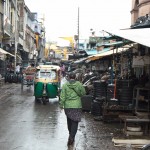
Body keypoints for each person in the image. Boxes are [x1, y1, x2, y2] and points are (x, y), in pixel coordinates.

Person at [59, 72, 86, 146]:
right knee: (75, 122)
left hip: (67, 106)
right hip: (77, 106)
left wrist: (61, 105)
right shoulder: (79, 84)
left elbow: (62, 96)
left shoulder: (65, 85)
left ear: (68, 77)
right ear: (75, 77)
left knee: (69, 120)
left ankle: (71, 135)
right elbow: (83, 93)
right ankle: (71, 137)